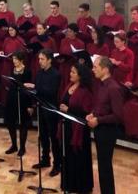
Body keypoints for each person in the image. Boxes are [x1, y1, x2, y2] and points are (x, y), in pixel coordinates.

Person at [87, 56, 125, 194]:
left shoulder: (114, 88)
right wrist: (92, 113)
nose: (93, 69)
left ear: (106, 69)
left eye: (96, 67)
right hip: (100, 129)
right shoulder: (101, 84)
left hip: (107, 131)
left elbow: (118, 116)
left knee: (105, 166)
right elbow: (100, 106)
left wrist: (98, 120)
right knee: (102, 166)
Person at [24, 49, 62, 177]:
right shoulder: (39, 73)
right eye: (39, 59)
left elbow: (51, 91)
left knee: (53, 138)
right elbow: (38, 91)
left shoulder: (55, 74)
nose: (39, 61)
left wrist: (34, 87)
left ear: (50, 60)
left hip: (51, 110)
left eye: (42, 59)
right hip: (41, 108)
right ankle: (45, 159)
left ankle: (58, 164)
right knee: (43, 136)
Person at [58, 63, 94, 193]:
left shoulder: (86, 92)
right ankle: (68, 183)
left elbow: (86, 114)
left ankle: (80, 186)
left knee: (78, 158)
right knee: (67, 156)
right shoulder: (69, 86)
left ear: (80, 76)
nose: (70, 74)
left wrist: (69, 109)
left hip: (79, 131)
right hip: (67, 127)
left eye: (73, 72)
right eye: (71, 72)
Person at [4, 51, 33, 156]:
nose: (14, 61)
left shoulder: (27, 71)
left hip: (23, 100)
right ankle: (14, 145)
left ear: (21, 60)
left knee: (23, 125)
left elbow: (29, 89)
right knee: (10, 123)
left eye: (16, 59)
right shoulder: (12, 70)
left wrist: (30, 105)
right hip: (12, 99)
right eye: (13, 59)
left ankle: (22, 147)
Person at [57, 23, 85, 94]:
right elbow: (60, 53)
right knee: (61, 85)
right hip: (63, 66)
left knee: (69, 85)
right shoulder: (63, 41)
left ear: (75, 32)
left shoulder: (80, 43)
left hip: (72, 68)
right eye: (67, 31)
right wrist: (59, 58)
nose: (68, 33)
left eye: (70, 31)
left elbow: (81, 57)